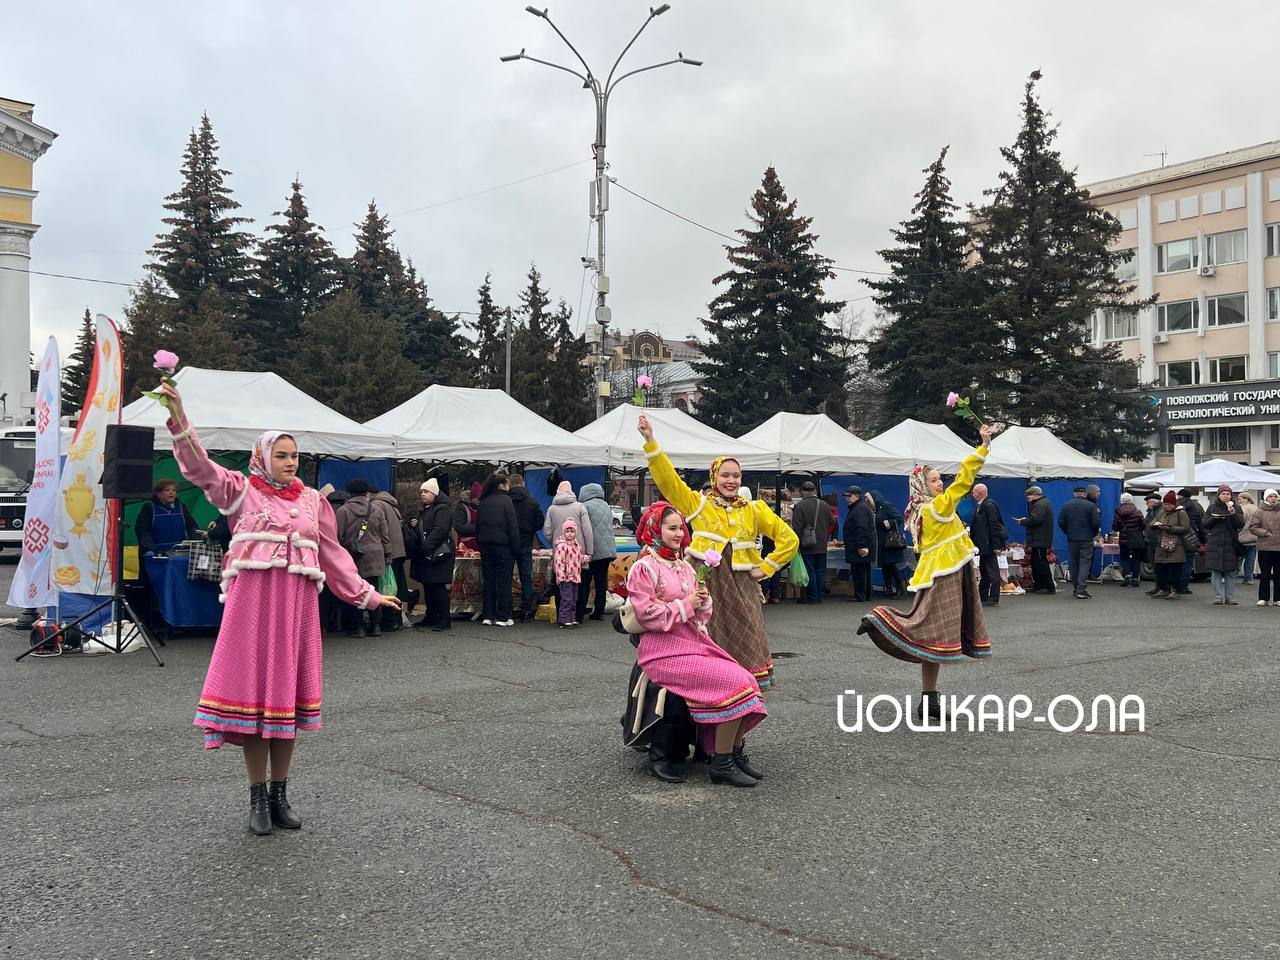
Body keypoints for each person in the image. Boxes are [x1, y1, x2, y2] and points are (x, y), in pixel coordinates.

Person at [154, 378, 400, 835]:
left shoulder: (312, 501)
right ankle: (256, 799)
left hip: (296, 610)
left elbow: (332, 554)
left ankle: (280, 794)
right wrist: (178, 415)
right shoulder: (239, 491)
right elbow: (197, 466)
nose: (290, 463)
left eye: (294, 456)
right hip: (252, 608)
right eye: (282, 456)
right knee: (254, 707)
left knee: (284, 706)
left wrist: (367, 594)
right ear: (264, 457)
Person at [637, 414, 798, 690]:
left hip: (741, 583)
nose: (731, 480)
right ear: (714, 477)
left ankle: (744, 684)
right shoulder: (699, 504)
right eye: (725, 475)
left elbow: (789, 539)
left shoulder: (753, 509)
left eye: (736, 476)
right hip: (706, 579)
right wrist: (651, 442)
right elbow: (670, 483)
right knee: (705, 629)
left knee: (748, 631)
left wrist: (766, 568)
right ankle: (711, 683)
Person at [857, 424, 994, 721]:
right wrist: (982, 447)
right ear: (922, 485)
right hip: (946, 575)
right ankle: (880, 619)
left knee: (935, 638)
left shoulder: (919, 510)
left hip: (943, 572)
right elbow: (963, 482)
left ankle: (929, 699)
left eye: (939, 480)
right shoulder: (936, 509)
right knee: (929, 629)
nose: (940, 484)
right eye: (934, 481)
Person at [627, 502, 768, 787]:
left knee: (748, 680)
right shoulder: (644, 567)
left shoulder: (685, 567)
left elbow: (700, 616)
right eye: (672, 528)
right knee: (735, 684)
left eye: (681, 527)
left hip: (691, 643)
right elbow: (645, 614)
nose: (679, 533)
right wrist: (686, 605)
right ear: (656, 529)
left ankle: (730, 754)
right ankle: (721, 763)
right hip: (661, 651)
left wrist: (703, 601)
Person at [335, 479, 391, 638]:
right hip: (375, 555)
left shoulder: (343, 511)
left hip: (352, 556)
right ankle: (375, 626)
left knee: (355, 591)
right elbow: (384, 535)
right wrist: (388, 555)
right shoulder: (376, 509)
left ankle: (357, 627)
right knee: (374, 590)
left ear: (349, 493)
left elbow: (338, 536)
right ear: (366, 492)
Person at [475, 471, 520, 627]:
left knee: (488, 581)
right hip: (503, 546)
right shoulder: (506, 501)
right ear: (502, 485)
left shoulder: (484, 501)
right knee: (503, 581)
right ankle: (503, 616)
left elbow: (478, 526)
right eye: (507, 484)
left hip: (486, 546)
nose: (508, 487)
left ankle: (488, 615)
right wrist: (516, 549)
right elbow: (513, 527)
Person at [410, 478, 455, 632]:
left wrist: (426, 547)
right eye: (421, 491)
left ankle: (444, 619)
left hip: (438, 553)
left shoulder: (442, 509)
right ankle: (431, 616)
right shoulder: (427, 509)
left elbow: (440, 530)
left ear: (435, 493)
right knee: (428, 586)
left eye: (426, 491)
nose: (422, 494)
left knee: (438, 586)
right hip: (428, 553)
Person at [507, 474, 545, 622]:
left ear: (509, 484)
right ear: (523, 483)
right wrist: (530, 531)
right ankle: (526, 610)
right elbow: (540, 522)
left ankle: (507, 609)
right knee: (526, 578)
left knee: (506, 578)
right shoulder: (532, 501)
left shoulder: (506, 501)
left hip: (509, 543)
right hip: (526, 543)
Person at [578, 482, 617, 621]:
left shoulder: (585, 506)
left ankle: (581, 610)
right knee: (601, 581)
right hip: (608, 550)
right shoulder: (605, 505)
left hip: (593, 549)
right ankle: (599, 611)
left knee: (585, 581)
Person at [792, 480, 836, 604]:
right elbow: (832, 521)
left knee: (809, 570)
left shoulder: (800, 506)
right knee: (821, 571)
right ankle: (820, 596)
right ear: (815, 491)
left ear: (802, 492)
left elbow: (796, 528)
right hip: (822, 543)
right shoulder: (824, 505)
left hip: (807, 544)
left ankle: (812, 597)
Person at [370, 488, 407, 631]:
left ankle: (389, 621)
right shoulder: (390, 504)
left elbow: (381, 531)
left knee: (386, 588)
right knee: (394, 587)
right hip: (398, 551)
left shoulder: (377, 505)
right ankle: (397, 620)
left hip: (388, 552)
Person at [1203, 484, 1245, 605]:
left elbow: (1240, 524)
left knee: (1230, 571)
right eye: (1223, 494)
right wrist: (1215, 518)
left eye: (1228, 494)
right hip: (1215, 543)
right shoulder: (1212, 507)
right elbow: (1205, 524)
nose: (1226, 496)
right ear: (1218, 495)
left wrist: (1233, 514)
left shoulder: (1236, 507)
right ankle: (1218, 596)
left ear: (1231, 496)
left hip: (1231, 543)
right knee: (1216, 571)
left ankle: (1229, 596)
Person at [1058, 484, 1102, 600]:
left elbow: (1061, 522)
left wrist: (1068, 532)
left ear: (1074, 494)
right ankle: (1081, 590)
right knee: (1084, 564)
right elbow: (1096, 523)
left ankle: (1076, 588)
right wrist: (1092, 534)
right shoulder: (1091, 506)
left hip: (1072, 538)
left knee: (1075, 563)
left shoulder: (1066, 505)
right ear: (1085, 494)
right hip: (1086, 539)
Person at [135, 479, 199, 556]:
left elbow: (192, 527)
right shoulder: (149, 508)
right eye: (167, 490)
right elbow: (142, 531)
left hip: (179, 554)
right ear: (158, 494)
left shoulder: (181, 507)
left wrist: (195, 545)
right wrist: (151, 549)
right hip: (156, 555)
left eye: (174, 490)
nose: (171, 492)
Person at [1148, 491, 1191, 600]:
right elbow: (1153, 522)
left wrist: (1170, 528)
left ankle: (1175, 590)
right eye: (1165, 504)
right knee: (1160, 568)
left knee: (1175, 569)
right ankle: (1163, 589)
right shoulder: (1162, 512)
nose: (1166, 506)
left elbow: (1186, 528)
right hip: (1161, 544)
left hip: (1176, 546)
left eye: (1168, 504)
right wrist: (1154, 525)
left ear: (1174, 503)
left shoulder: (1181, 512)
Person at [971, 482, 1007, 606]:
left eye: (974, 492)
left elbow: (994, 525)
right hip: (983, 545)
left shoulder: (989, 505)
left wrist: (996, 545)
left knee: (992, 572)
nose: (972, 494)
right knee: (985, 571)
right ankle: (983, 596)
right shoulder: (982, 505)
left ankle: (993, 598)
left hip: (989, 545)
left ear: (980, 493)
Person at [1017, 486, 1055, 594]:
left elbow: (1036, 520)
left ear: (1035, 494)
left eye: (1028, 495)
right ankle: (1039, 585)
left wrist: (1023, 521)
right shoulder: (1044, 503)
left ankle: (1048, 587)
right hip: (1040, 538)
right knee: (1037, 562)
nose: (1027, 498)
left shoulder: (1039, 505)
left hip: (1039, 539)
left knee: (1041, 563)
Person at [842, 485, 876, 602]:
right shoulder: (860, 507)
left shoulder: (859, 509)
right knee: (864, 571)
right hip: (860, 545)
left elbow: (862, 528)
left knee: (859, 572)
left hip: (859, 547)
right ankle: (865, 595)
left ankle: (860, 596)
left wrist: (862, 545)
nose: (847, 498)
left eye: (849, 496)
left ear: (857, 496)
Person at [871, 489, 906, 599]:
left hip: (889, 542)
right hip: (881, 543)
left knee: (891, 565)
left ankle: (901, 588)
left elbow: (899, 518)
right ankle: (888, 589)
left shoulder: (886, 506)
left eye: (868, 499)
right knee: (885, 565)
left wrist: (888, 523)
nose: (867, 501)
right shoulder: (876, 509)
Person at [543, 480, 593, 556]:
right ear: (571, 491)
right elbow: (587, 531)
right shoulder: (580, 507)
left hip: (559, 551)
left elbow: (547, 532)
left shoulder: (551, 509)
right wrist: (589, 552)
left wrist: (555, 541)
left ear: (558, 491)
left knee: (561, 567)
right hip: (578, 552)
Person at [1248, 489, 1280, 605]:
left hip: (1279, 548)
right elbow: (1253, 527)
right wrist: (1266, 533)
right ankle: (1263, 598)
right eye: (1270, 496)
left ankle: (1278, 599)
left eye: (1275, 496)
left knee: (1278, 575)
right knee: (1265, 574)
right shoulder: (1259, 511)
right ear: (1266, 498)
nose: (1273, 498)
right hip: (1265, 547)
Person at [553, 518, 584, 629]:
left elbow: (579, 558)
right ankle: (563, 619)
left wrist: (586, 558)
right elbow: (558, 561)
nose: (570, 534)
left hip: (575, 576)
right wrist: (561, 575)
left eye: (572, 531)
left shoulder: (577, 546)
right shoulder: (562, 546)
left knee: (574, 599)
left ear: (575, 533)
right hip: (565, 577)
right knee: (566, 599)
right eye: (567, 531)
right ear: (563, 532)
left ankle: (572, 618)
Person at [1111, 493, 1147, 588]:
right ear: (1131, 500)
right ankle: (1135, 579)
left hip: (1124, 539)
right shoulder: (1138, 511)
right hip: (1136, 538)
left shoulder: (1118, 512)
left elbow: (1115, 527)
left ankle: (1127, 577)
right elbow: (1143, 525)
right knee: (1136, 558)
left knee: (1124, 558)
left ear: (1121, 501)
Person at [1177, 488, 1205, 595]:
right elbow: (1201, 525)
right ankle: (1184, 586)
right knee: (1188, 563)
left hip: (1177, 537)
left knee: (1177, 562)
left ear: (1180, 496)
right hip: (1192, 537)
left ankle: (1175, 584)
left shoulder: (1176, 506)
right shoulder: (1197, 506)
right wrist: (1203, 540)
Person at [1141, 493, 1163, 595]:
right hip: (1150, 541)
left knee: (1159, 565)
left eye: (1148, 502)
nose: (1146, 504)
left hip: (1158, 541)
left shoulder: (1161, 511)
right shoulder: (1150, 511)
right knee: (1154, 565)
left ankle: (1162, 587)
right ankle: (1157, 587)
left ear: (1153, 502)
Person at [1236, 492, 1258, 585]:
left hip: (1243, 537)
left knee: (1238, 559)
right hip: (1255, 538)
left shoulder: (1243, 509)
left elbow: (1240, 523)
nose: (1239, 501)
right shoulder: (1257, 508)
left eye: (1240, 499)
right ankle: (1248, 578)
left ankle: (1233, 577)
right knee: (1250, 560)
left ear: (1246, 499)